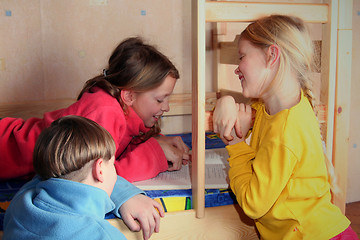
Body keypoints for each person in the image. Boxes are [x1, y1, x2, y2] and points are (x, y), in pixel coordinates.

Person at [213, 15, 358, 239]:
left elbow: (253, 204)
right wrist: (225, 101)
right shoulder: (274, 106)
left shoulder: (286, 131)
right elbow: (246, 114)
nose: (237, 68)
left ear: (272, 55)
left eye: (242, 56)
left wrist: (236, 145)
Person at [0, 37, 190, 182]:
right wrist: (154, 153)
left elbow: (118, 149)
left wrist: (157, 141)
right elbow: (96, 177)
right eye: (160, 99)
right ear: (129, 96)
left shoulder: (124, 111)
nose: (167, 107)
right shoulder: (104, 111)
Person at [3, 115, 165, 240]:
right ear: (99, 169)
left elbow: (42, 178)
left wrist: (125, 196)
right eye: (112, 164)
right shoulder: (101, 234)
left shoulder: (20, 205)